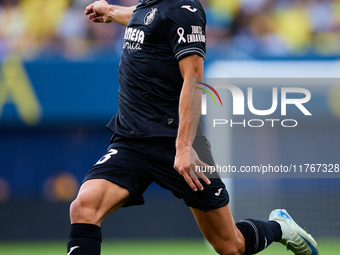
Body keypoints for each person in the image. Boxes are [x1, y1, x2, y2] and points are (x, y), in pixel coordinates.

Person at [67, 1, 319, 254]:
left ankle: (280, 228)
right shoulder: (151, 5)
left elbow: (194, 76)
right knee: (84, 207)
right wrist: (110, 11)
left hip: (176, 141)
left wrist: (185, 145)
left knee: (230, 245)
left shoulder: (183, 9)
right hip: (131, 139)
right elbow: (144, 17)